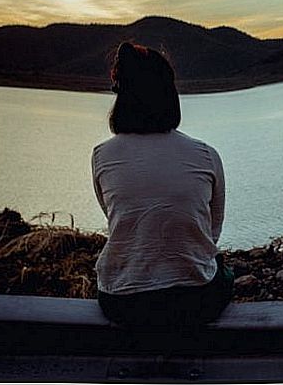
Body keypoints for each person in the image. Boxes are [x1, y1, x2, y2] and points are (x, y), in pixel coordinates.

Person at [92, 41, 233, 329]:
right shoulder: (205, 154)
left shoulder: (102, 155)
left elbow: (115, 218)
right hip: (195, 302)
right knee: (225, 273)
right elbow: (212, 230)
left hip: (121, 303)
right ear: (169, 94)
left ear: (122, 98)